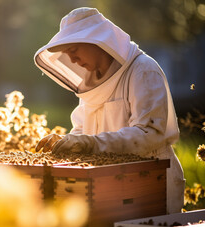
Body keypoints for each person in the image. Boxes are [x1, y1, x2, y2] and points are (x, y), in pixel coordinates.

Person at [34, 7, 185, 214]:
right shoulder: (91, 83)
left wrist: (89, 143)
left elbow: (150, 133)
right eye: (67, 53)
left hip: (151, 184)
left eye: (74, 50)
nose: (72, 60)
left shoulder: (142, 70)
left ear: (96, 40)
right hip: (112, 187)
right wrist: (66, 142)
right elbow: (83, 130)